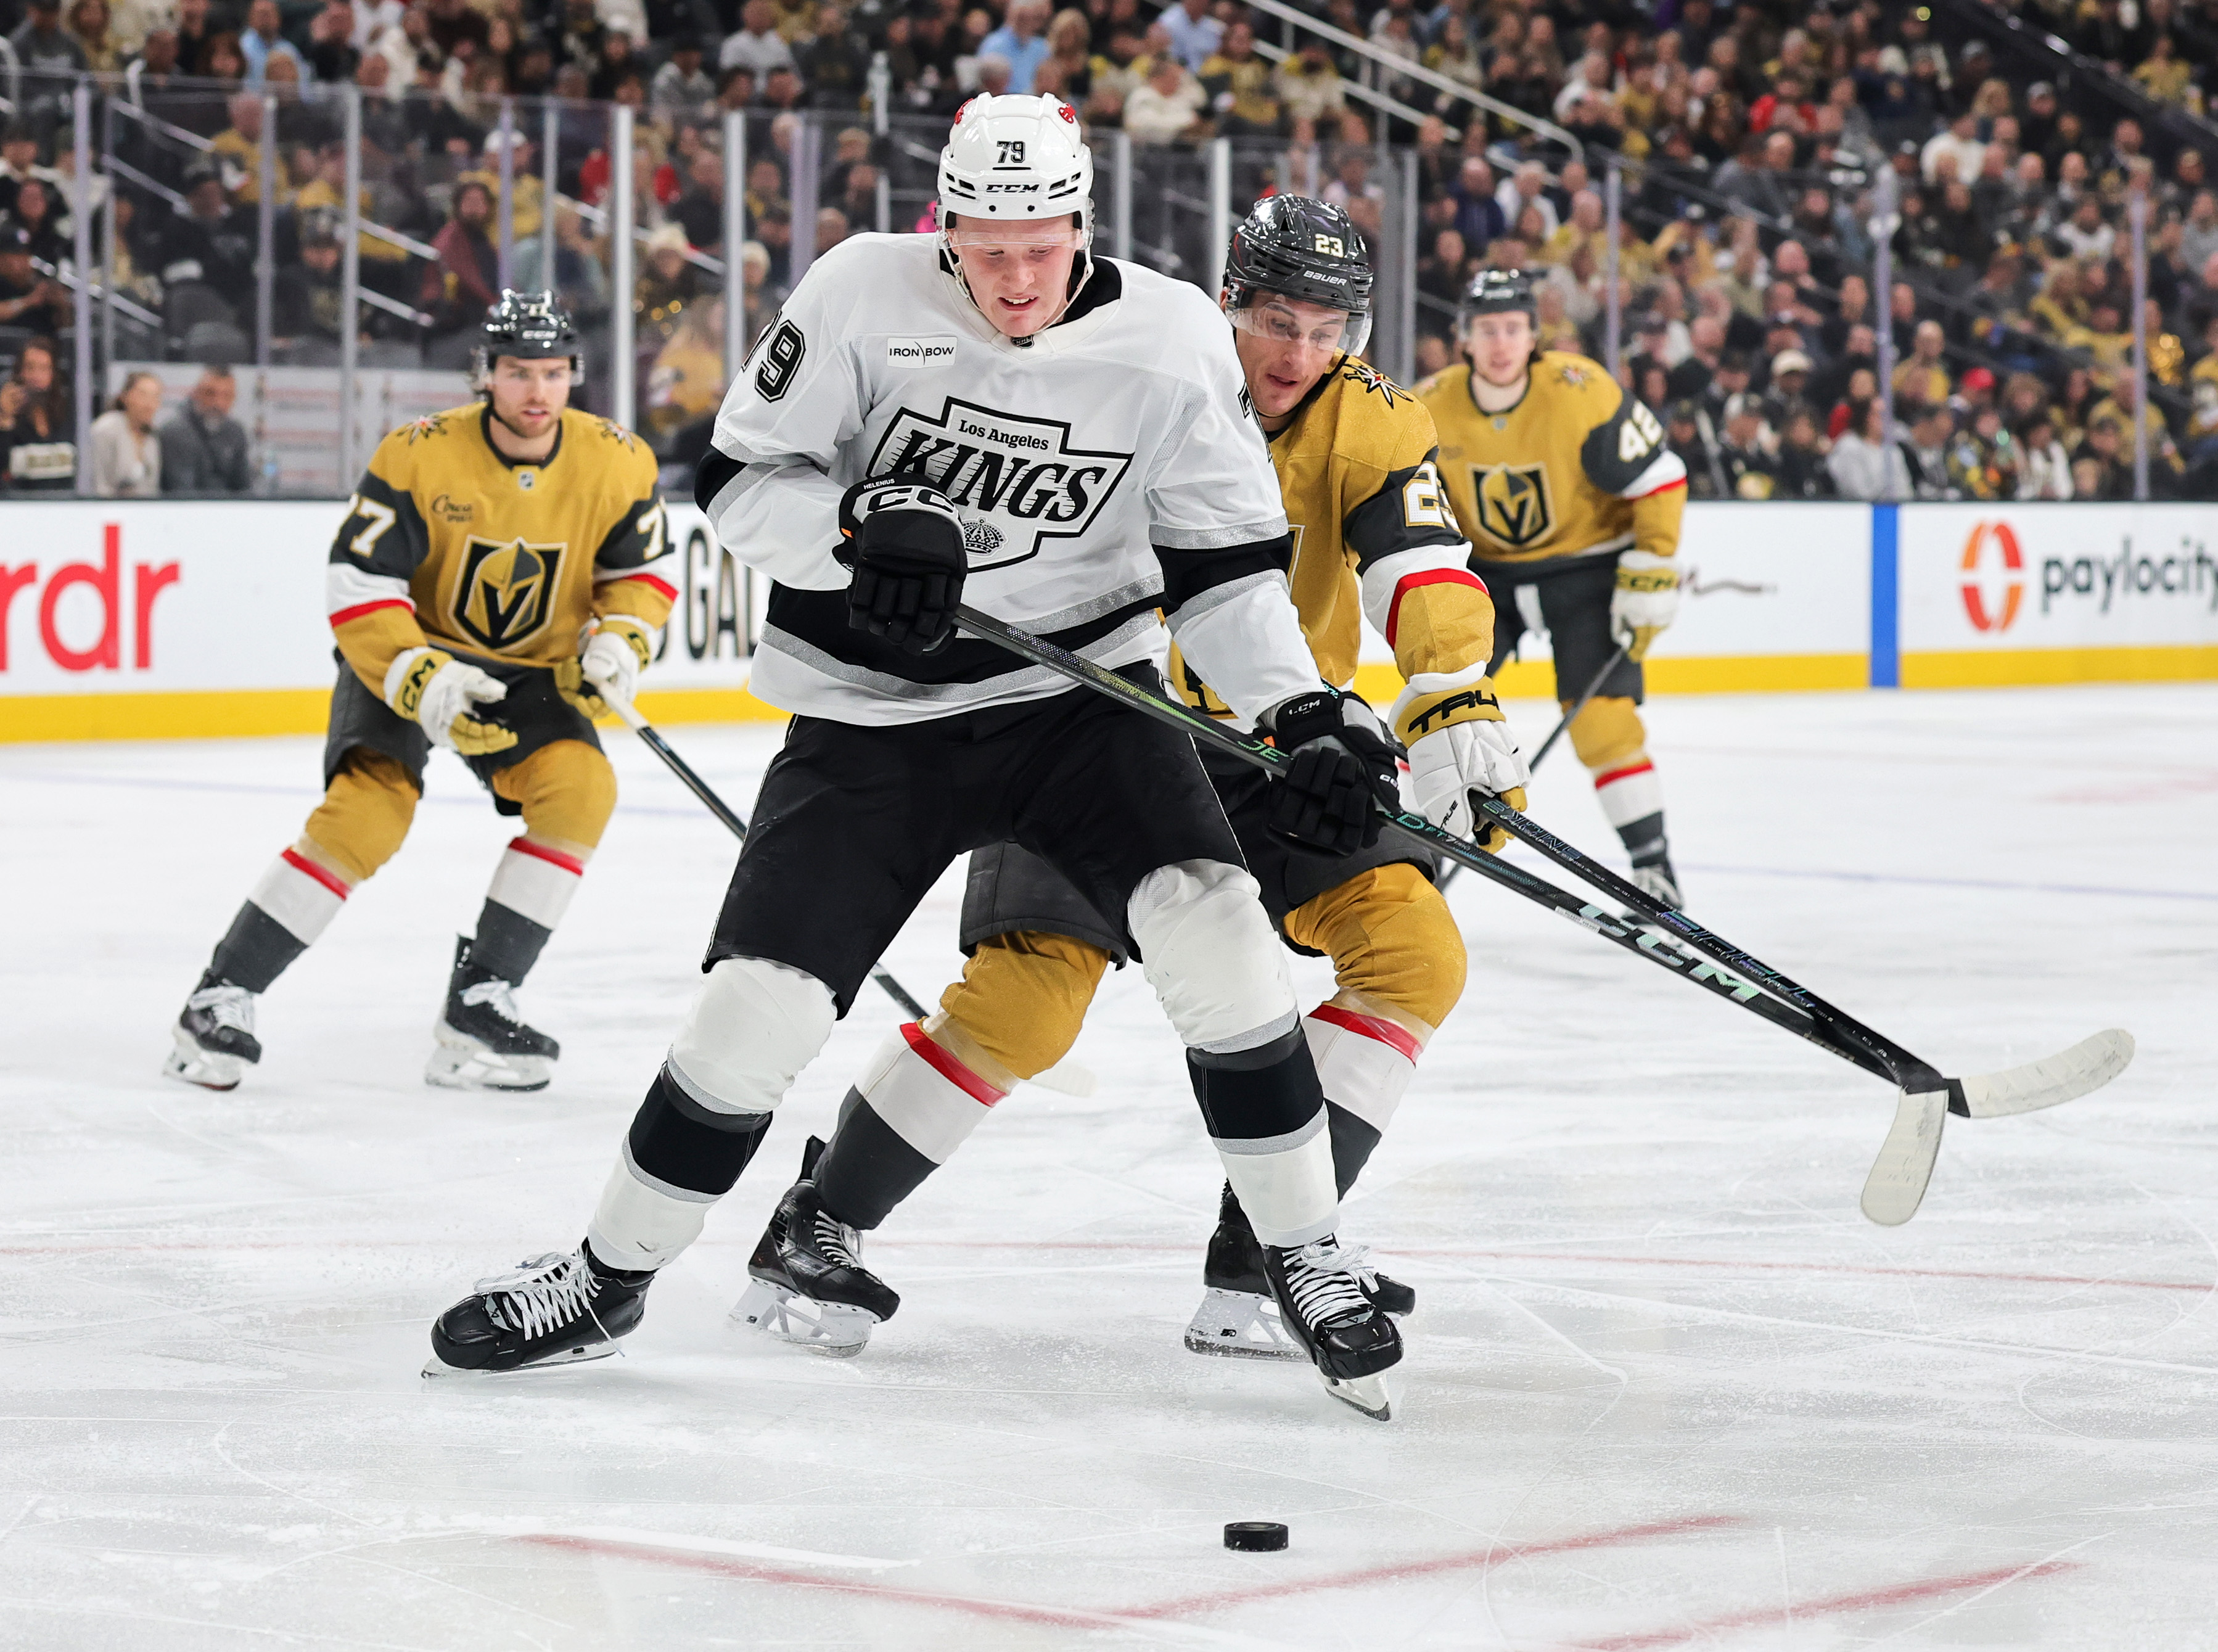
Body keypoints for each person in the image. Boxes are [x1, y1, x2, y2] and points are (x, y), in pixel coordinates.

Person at [424, 97, 1408, 1422]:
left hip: (1081, 701)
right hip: (873, 712)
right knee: (751, 1014)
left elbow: (1226, 570)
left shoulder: (1173, 339)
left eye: (1040, 243)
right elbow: (731, 484)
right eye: (985, 243)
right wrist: (861, 519)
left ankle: (1298, 1250)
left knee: (1217, 929)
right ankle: (607, 1277)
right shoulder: (854, 292)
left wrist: (1300, 712)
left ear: (1080, 223)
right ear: (944, 226)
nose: (1014, 274)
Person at [728, 195, 1525, 1371]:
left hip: (1277, 748)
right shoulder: (1137, 369)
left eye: (1323, 326)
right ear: (1225, 304)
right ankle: (820, 1216)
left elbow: (1423, 565)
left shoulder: (1371, 421)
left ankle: (1266, 1252)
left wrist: (1452, 695)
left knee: (1415, 951)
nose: (1295, 353)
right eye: (1272, 318)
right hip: (1091, 735)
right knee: (1025, 1009)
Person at [163, 294, 671, 1095]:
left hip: (528, 671)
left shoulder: (618, 458)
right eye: (516, 372)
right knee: (368, 815)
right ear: (485, 374)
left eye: (551, 372)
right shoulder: (418, 452)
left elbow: (637, 575)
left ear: (573, 372)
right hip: (413, 657)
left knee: (581, 792)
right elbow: (359, 580)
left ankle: (479, 1001)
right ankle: (219, 996)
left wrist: (620, 638)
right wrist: (416, 673)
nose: (536, 391)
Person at [1418, 269, 1691, 909]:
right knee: (1436, 700)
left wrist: (1651, 569)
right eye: (1487, 330)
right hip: (1489, 575)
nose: (1501, 343)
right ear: (1464, 339)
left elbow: (1660, 477)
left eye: (1513, 329)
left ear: (1533, 337)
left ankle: (1654, 867)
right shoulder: (1428, 404)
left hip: (1587, 568)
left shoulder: (1580, 391)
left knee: (1602, 724)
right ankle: (1408, 856)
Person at [159, 365, 253, 493]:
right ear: (196, 394)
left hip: (228, 509)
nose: (218, 403)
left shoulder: (236, 432)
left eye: (227, 396)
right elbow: (182, 492)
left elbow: (244, 488)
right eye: (210, 394)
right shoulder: (175, 432)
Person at [0, 335, 75, 492]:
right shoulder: (7, 417)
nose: (36, 376)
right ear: (19, 372)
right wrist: (5, 419)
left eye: (44, 368)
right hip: (18, 506)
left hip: (66, 506)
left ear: (53, 374)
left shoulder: (68, 414)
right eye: (30, 368)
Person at [89, 369, 165, 496]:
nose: (149, 404)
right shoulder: (106, 430)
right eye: (142, 395)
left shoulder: (152, 438)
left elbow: (152, 488)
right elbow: (97, 484)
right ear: (125, 397)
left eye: (155, 396)